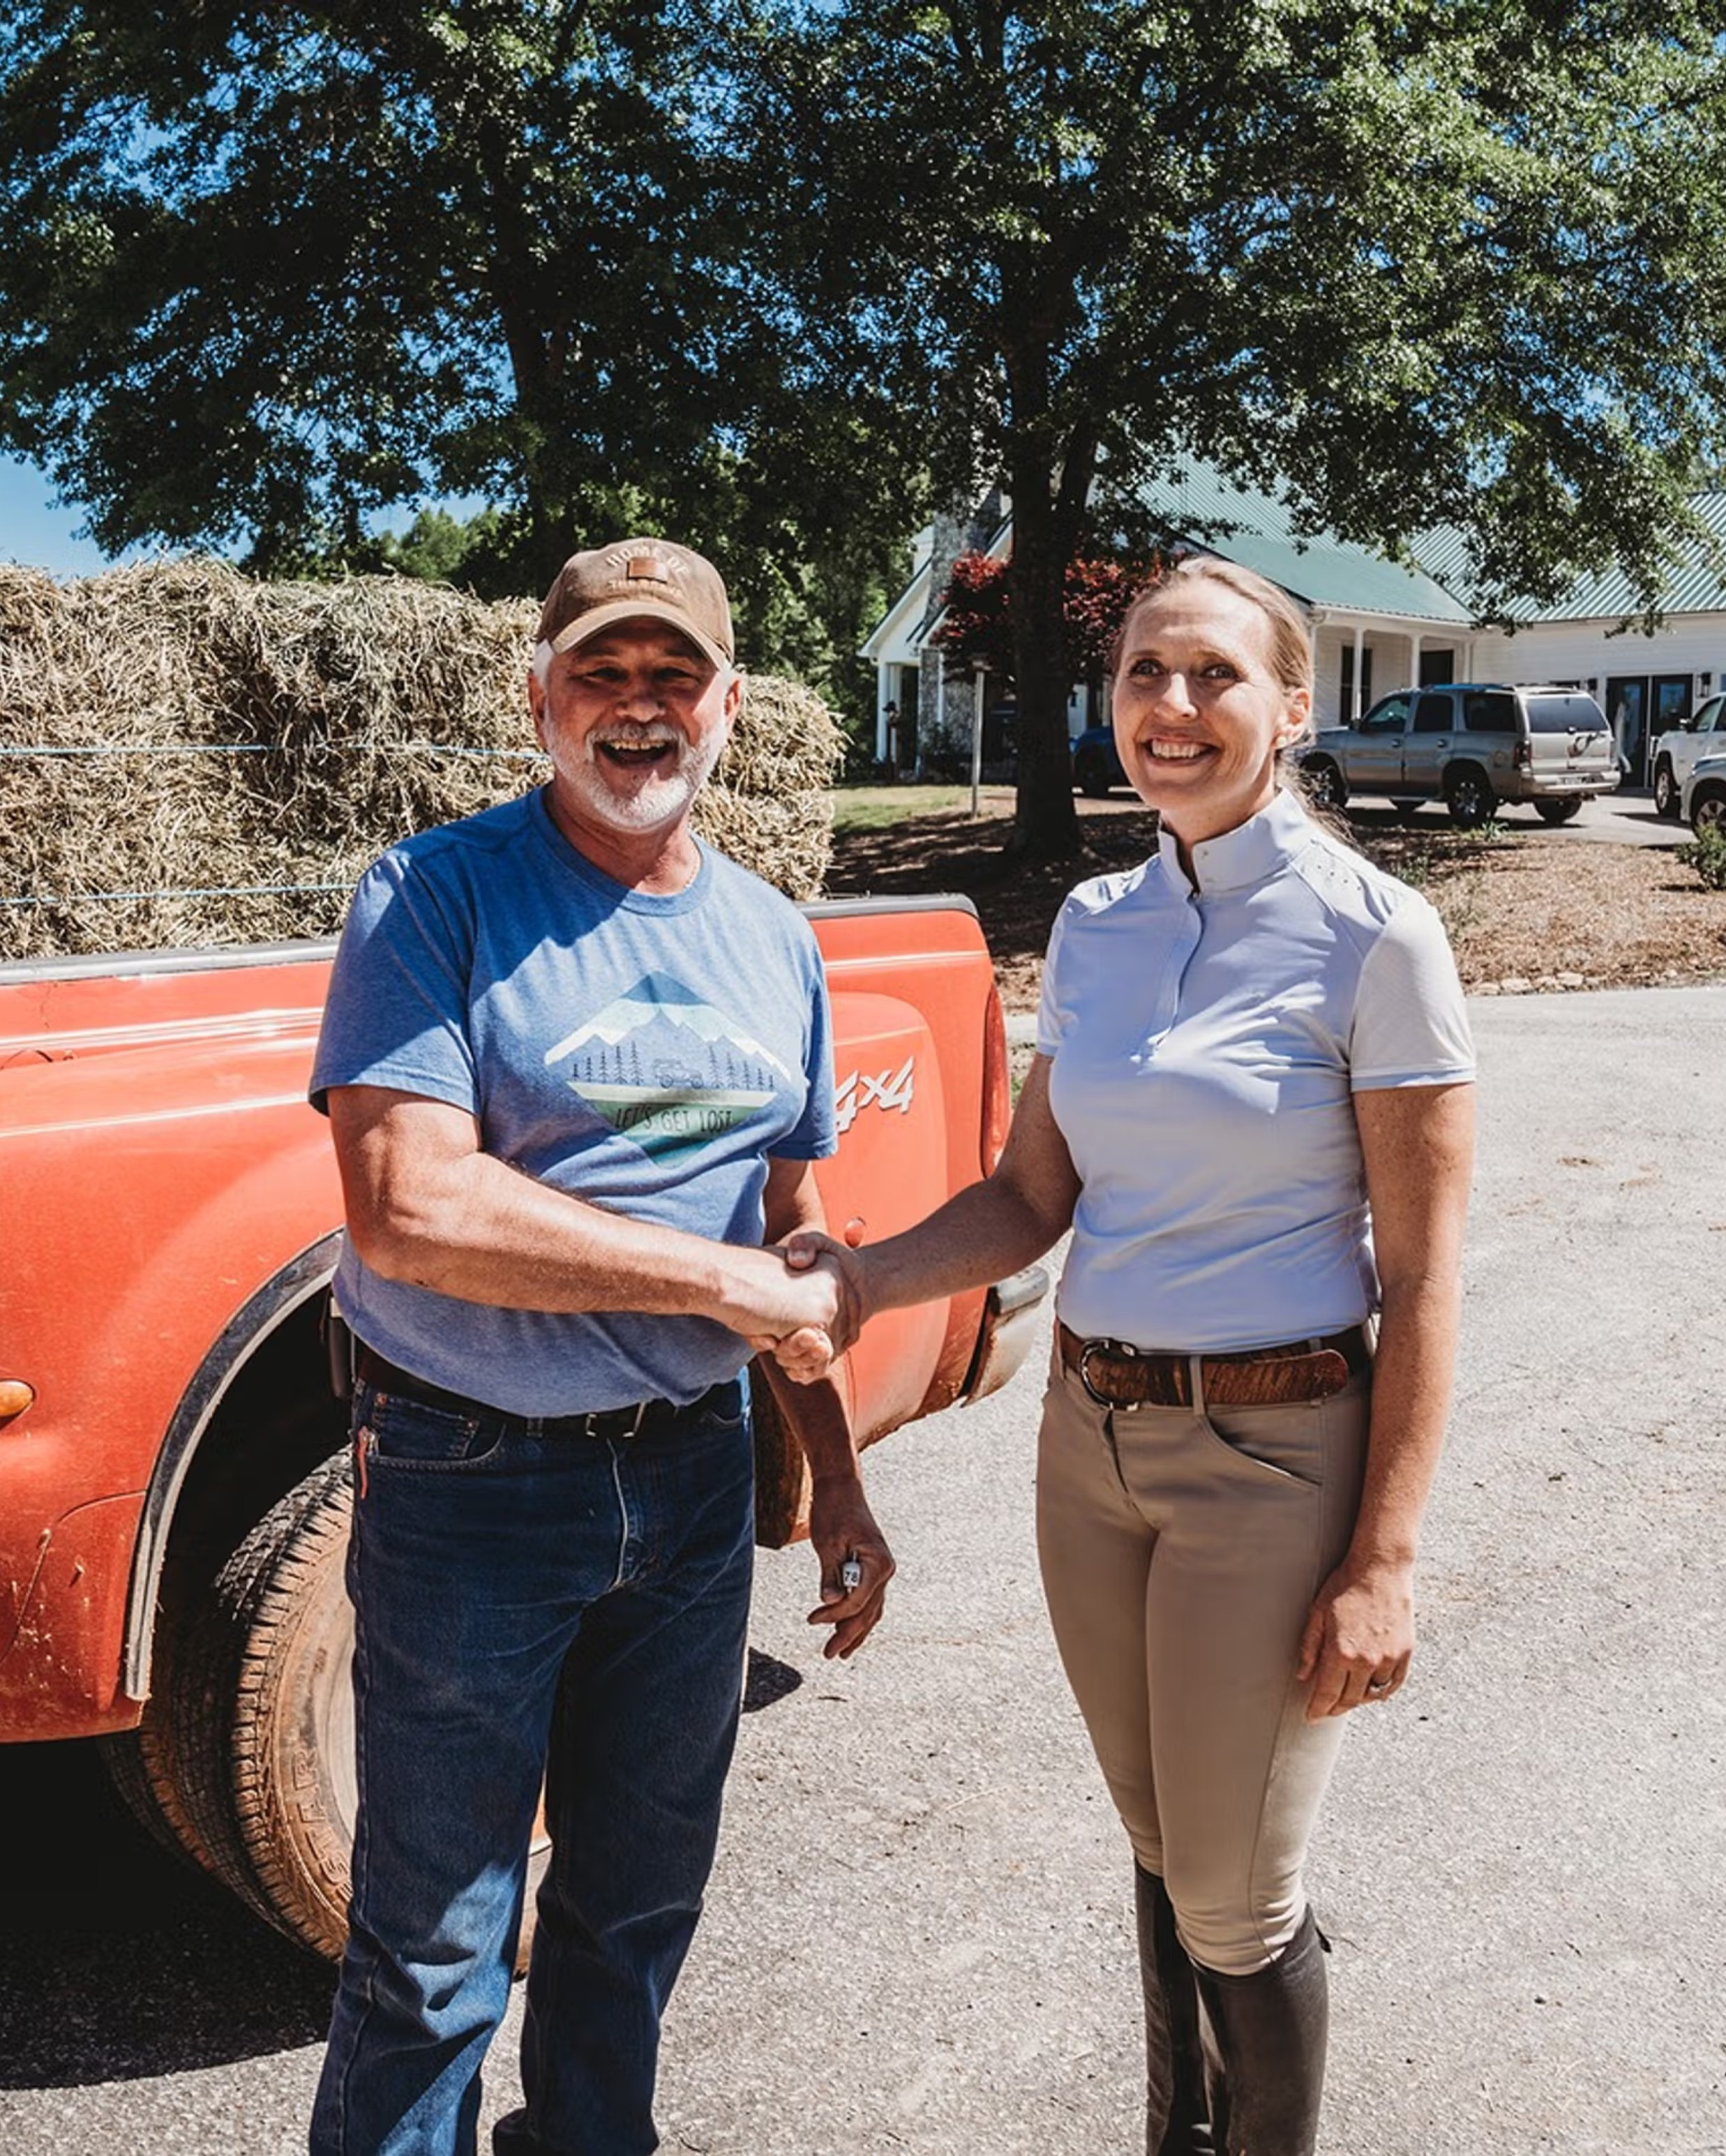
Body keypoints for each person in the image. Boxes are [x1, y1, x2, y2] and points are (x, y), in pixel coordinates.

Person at [778, 556, 1475, 2154]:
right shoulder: (1095, 924)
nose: (1172, 707)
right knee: (1164, 1843)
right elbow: (1035, 1196)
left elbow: (1428, 1275)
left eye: (1216, 676)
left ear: (1294, 707)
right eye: (1144, 673)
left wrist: (1384, 1556)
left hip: (1276, 1457)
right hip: (1088, 1453)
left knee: (1237, 1898)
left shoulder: (1376, 937)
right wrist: (865, 1276)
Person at [306, 536, 888, 2156]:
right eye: (603, 674)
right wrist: (711, 1294)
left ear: (732, 705)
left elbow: (795, 1236)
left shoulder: (774, 937)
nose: (640, 709)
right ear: (540, 698)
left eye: (673, 675)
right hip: (470, 1475)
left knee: (633, 1912)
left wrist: (832, 1479)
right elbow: (405, 1208)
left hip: (696, 1489)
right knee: (431, 1952)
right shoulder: (438, 892)